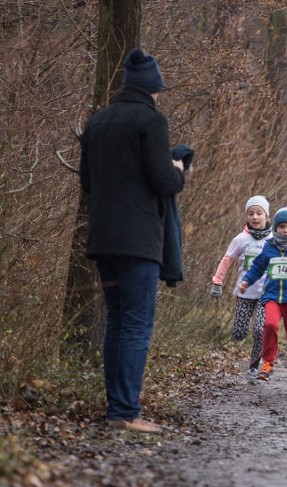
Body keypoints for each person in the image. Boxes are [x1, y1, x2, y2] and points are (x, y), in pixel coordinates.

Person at [79, 48, 185, 434]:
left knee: (118, 322)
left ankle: (116, 409)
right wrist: (178, 168)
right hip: (139, 241)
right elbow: (164, 181)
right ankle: (125, 413)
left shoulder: (98, 121)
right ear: (153, 88)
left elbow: (87, 183)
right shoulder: (151, 121)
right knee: (137, 325)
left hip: (103, 239)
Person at [239, 207, 287, 387]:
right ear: (275, 228)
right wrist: (246, 281)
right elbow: (257, 267)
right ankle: (267, 363)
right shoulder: (269, 247)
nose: (285, 230)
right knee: (270, 324)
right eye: (281, 226)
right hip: (272, 296)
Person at [208, 196, 273, 381]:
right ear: (246, 216)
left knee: (261, 330)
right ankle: (242, 337)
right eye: (251, 213)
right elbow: (226, 260)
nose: (255, 217)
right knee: (239, 333)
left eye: (259, 213)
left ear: (267, 216)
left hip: (266, 293)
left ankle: (254, 366)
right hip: (244, 292)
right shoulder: (241, 239)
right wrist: (217, 282)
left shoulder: (274, 240)